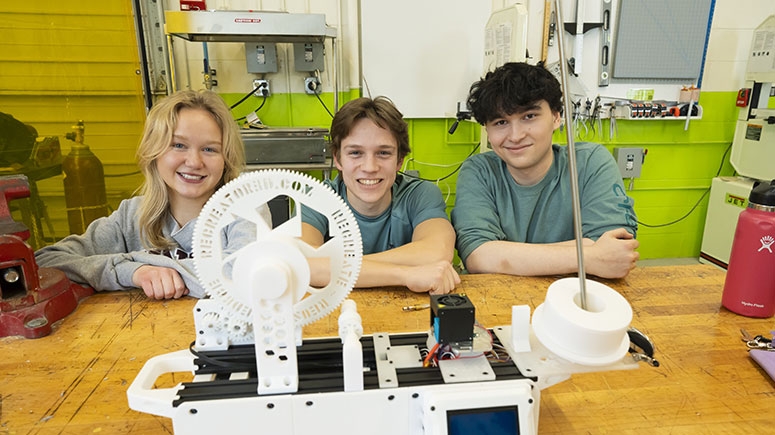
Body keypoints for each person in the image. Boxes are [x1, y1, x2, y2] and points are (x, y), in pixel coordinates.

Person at [35, 89, 270, 299]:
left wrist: (138, 262)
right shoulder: (132, 215)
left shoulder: (245, 210)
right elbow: (45, 262)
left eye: (210, 149)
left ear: (226, 159)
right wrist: (135, 272)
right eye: (178, 145)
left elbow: (239, 275)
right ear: (154, 152)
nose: (194, 161)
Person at [451, 62, 639, 279]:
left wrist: (504, 255)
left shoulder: (590, 163)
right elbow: (479, 256)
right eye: (501, 122)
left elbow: (616, 249)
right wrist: (587, 258)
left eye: (529, 116)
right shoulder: (479, 172)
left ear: (556, 117)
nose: (515, 135)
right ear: (487, 130)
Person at [301, 96, 460, 294]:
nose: (370, 167)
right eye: (355, 153)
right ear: (338, 159)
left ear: (399, 160)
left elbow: (436, 253)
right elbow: (302, 264)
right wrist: (405, 274)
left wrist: (331, 267)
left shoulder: (421, 195)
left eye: (383, 153)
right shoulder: (317, 198)